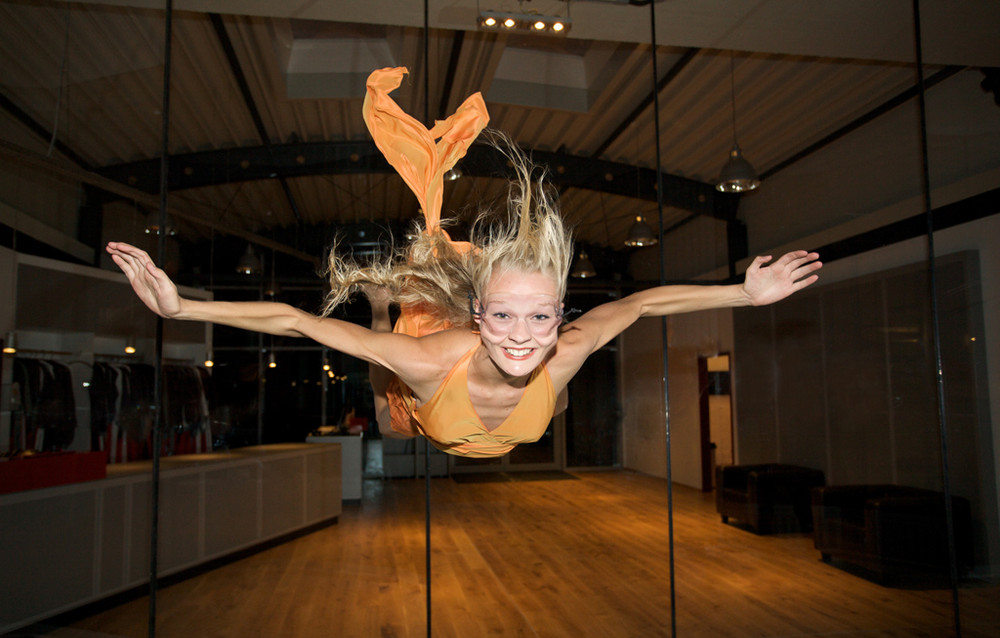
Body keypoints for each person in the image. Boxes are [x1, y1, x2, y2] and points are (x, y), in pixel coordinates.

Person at [107, 67, 822, 459]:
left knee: (555, 384)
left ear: (559, 315)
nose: (519, 334)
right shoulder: (435, 359)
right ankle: (399, 310)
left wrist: (744, 294)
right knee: (393, 402)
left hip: (530, 412)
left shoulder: (561, 351)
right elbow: (294, 321)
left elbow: (639, 304)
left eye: (539, 315)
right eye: (504, 314)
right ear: (478, 315)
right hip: (436, 410)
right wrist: (182, 307)